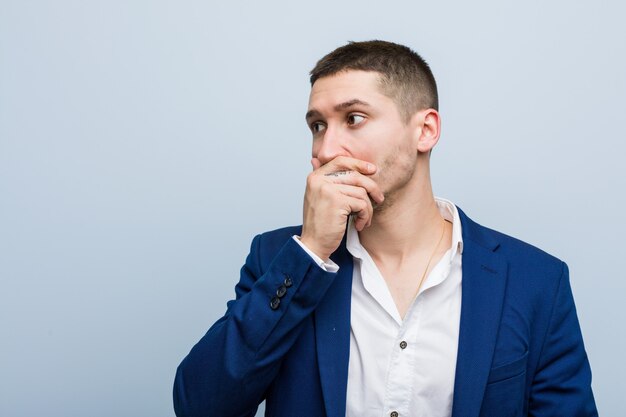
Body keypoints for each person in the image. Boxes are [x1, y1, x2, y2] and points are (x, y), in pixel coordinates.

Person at [173, 40, 597, 417]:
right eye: (317, 126)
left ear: (425, 131)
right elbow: (201, 406)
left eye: (353, 119)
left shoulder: (536, 280)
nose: (324, 149)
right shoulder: (278, 260)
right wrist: (311, 252)